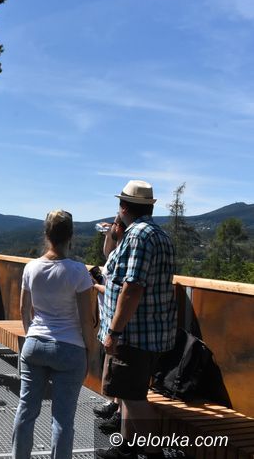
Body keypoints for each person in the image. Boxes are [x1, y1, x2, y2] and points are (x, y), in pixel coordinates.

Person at [96, 180, 177, 459]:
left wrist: (114, 332)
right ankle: (126, 448)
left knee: (133, 398)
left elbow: (132, 288)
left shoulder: (137, 236)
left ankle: (154, 453)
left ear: (123, 207)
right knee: (130, 394)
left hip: (133, 334)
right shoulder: (159, 235)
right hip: (151, 332)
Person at [11, 210, 95, 459]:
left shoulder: (31, 268)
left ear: (46, 234)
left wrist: (31, 336)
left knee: (26, 411)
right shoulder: (78, 271)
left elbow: (24, 309)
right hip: (70, 348)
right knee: (62, 420)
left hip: (35, 344)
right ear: (71, 236)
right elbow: (87, 319)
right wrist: (90, 353)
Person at [92, 215, 127, 433]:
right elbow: (107, 254)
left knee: (118, 367)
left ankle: (119, 414)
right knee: (112, 365)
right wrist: (108, 234)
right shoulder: (117, 252)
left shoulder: (125, 254)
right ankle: (114, 405)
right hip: (108, 317)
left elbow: (119, 290)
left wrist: (96, 286)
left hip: (116, 320)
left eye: (114, 225)